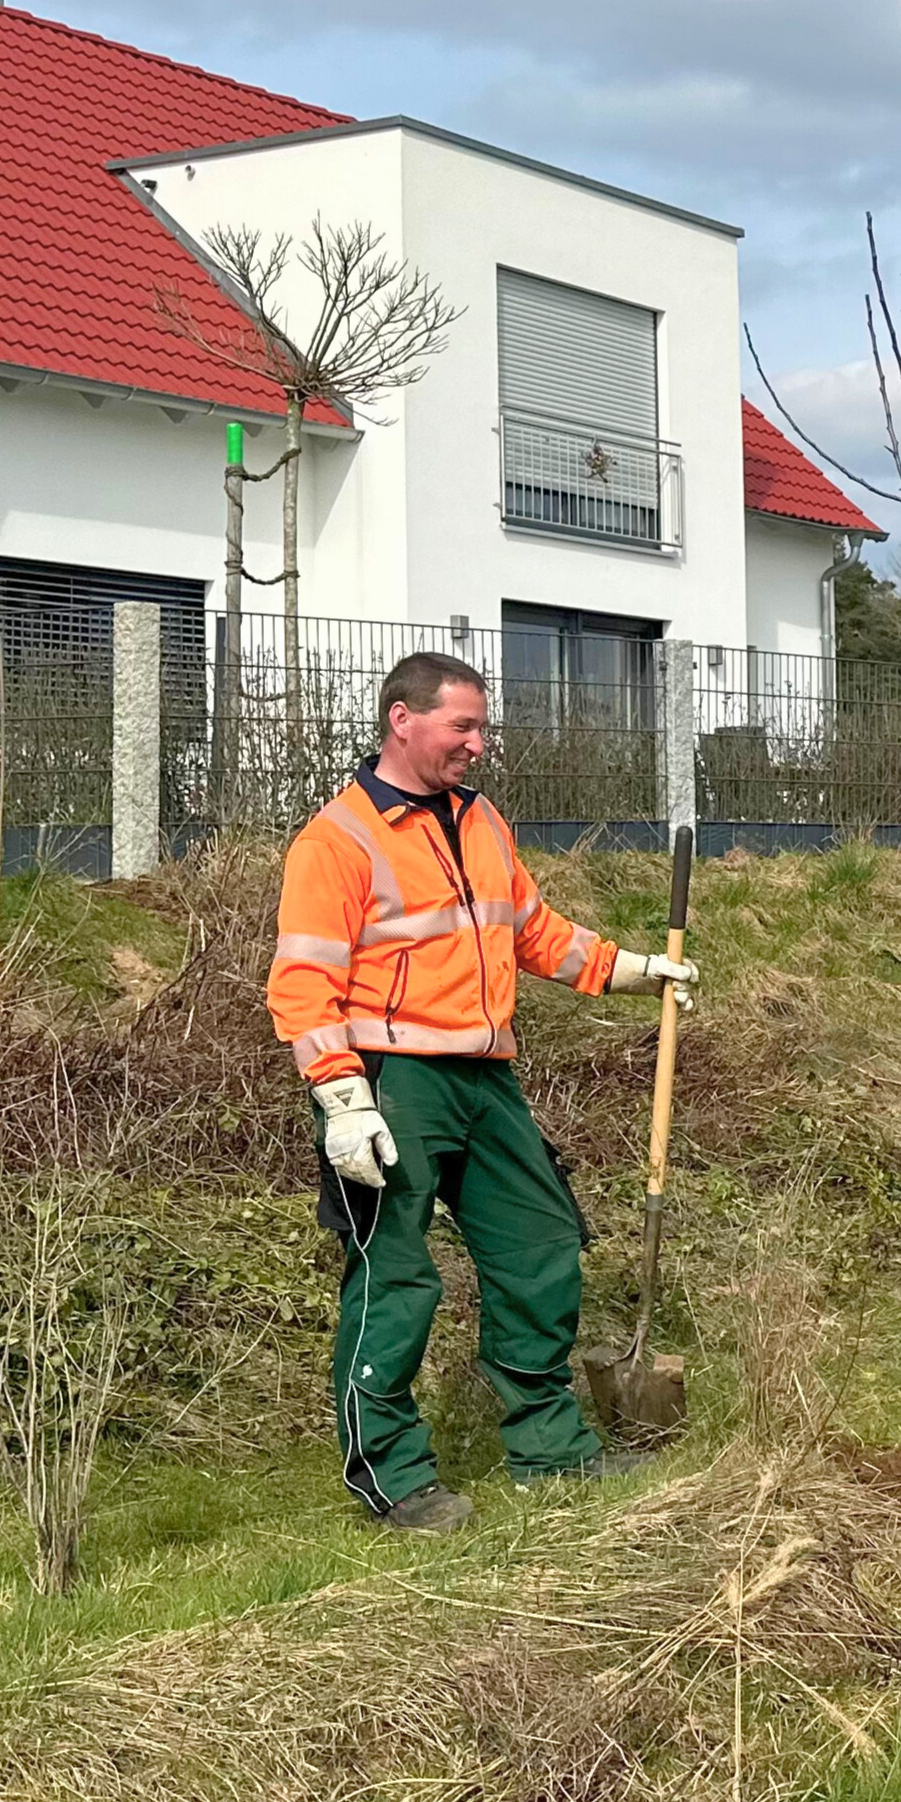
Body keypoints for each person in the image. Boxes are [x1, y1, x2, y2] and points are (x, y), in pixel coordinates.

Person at [266, 651, 698, 1532]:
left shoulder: (481, 820)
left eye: (481, 726)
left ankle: (550, 1447)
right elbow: (302, 983)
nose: (478, 743)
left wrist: (633, 971)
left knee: (538, 1243)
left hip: (485, 1073)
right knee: (394, 1275)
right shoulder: (337, 840)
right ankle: (391, 1474)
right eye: (463, 726)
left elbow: (530, 931)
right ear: (403, 721)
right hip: (392, 1080)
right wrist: (342, 1100)